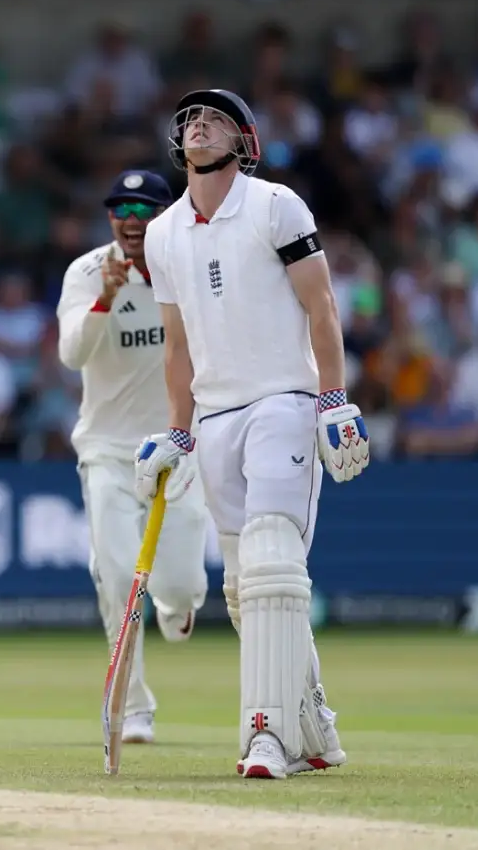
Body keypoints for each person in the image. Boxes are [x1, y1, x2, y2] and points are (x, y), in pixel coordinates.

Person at [134, 89, 370, 779]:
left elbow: (320, 304)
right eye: (190, 119)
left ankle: (265, 735)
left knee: (271, 558)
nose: (198, 125)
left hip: (284, 400)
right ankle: (314, 719)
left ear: (244, 141)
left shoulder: (275, 205)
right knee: (248, 588)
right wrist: (178, 434)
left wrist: (333, 399)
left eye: (214, 119)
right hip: (215, 415)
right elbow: (175, 346)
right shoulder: (163, 233)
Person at [56, 169, 211, 745]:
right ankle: (135, 707)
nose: (130, 219)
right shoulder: (87, 272)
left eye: (144, 209)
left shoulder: (189, 268)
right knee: (117, 574)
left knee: (177, 586)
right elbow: (72, 354)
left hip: (176, 443)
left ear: (166, 216)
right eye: (120, 209)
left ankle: (178, 606)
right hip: (107, 450)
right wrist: (106, 296)